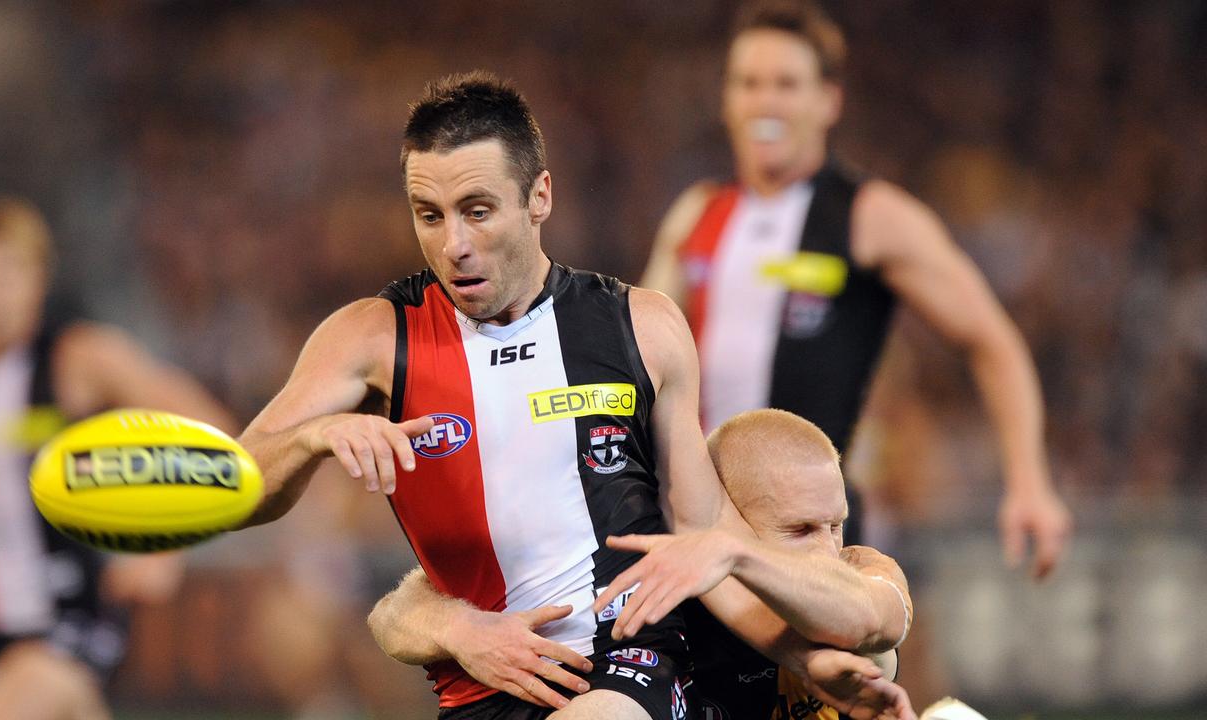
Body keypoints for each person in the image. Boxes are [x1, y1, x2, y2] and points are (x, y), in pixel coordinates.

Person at [237, 72, 910, 720]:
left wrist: (807, 658)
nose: (455, 245)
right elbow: (237, 488)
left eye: (478, 211)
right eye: (429, 216)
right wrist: (310, 438)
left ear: (539, 197)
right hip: (481, 688)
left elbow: (699, 533)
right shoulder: (372, 339)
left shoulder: (640, 327)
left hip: (626, 668)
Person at [639, 0, 1071, 577]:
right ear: (727, 99)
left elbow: (993, 341)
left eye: (786, 84)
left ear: (828, 101)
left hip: (812, 539)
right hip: (695, 525)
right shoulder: (696, 215)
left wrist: (1028, 483)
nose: (765, 100)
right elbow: (636, 364)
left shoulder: (873, 217)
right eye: (749, 83)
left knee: (839, 667)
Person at [369, 408, 915, 720]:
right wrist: (460, 626)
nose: (827, 552)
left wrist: (740, 556)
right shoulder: (633, 570)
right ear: (725, 517)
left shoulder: (856, 569)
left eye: (834, 524)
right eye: (798, 531)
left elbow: (877, 621)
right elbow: (395, 610)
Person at [0, 195, 237, 720]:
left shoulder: (81, 360)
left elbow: (218, 438)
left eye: (3, 275)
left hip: (78, 615)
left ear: (38, 279)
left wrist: (165, 544)